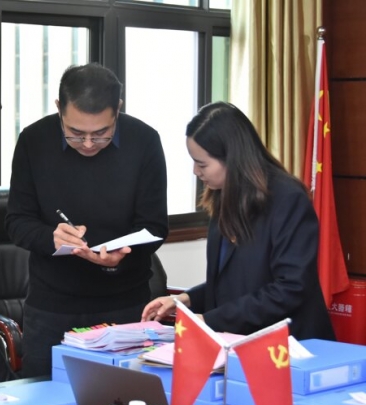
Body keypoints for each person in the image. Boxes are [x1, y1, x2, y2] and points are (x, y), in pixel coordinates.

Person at [6, 63, 169, 378]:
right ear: (59, 108)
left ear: (117, 110)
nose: (89, 144)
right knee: (46, 396)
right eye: (76, 134)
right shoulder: (33, 141)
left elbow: (155, 227)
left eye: (102, 134)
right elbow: (16, 222)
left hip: (125, 306)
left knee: (125, 397)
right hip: (52, 308)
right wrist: (51, 237)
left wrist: (118, 257)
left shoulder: (145, 141)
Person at [141, 101, 335, 341]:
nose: (195, 172)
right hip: (239, 341)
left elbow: (290, 288)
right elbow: (230, 284)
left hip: (290, 344)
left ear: (232, 158)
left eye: (202, 164)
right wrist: (184, 299)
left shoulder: (288, 199)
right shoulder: (223, 196)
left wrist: (210, 320)